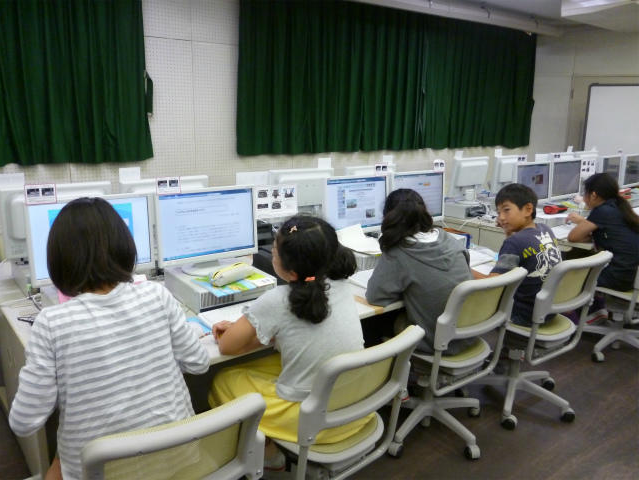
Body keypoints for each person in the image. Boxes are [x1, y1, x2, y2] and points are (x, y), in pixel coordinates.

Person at [9, 197, 210, 480]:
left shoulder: (52, 323)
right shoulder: (157, 295)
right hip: (178, 461)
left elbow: (23, 422)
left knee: (60, 460)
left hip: (103, 471)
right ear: (124, 246)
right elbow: (199, 363)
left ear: (59, 259)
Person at [208, 215, 370, 471]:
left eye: (274, 250)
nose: (271, 253)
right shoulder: (340, 283)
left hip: (313, 421)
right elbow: (300, 332)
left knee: (223, 379)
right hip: (356, 404)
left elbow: (227, 346)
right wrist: (265, 332)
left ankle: (269, 455)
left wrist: (244, 331)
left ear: (291, 271)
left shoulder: (278, 299)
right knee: (271, 362)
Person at [365, 188, 474, 354]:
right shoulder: (449, 239)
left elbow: (375, 297)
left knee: (369, 322)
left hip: (435, 341)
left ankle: (385, 370)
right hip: (469, 333)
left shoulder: (399, 252)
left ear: (388, 217)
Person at [480, 183, 562, 326]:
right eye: (498, 213)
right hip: (550, 309)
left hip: (524, 314)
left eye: (506, 210)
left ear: (528, 209)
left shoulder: (514, 243)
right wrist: (508, 232)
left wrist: (466, 269)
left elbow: (492, 285)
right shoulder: (545, 229)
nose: (501, 218)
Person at [567, 173, 639, 291]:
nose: (584, 199)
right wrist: (584, 222)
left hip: (617, 277)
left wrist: (583, 223)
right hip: (631, 275)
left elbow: (573, 237)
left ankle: (588, 300)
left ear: (593, 195)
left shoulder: (602, 211)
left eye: (585, 194)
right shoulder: (619, 206)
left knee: (569, 274)